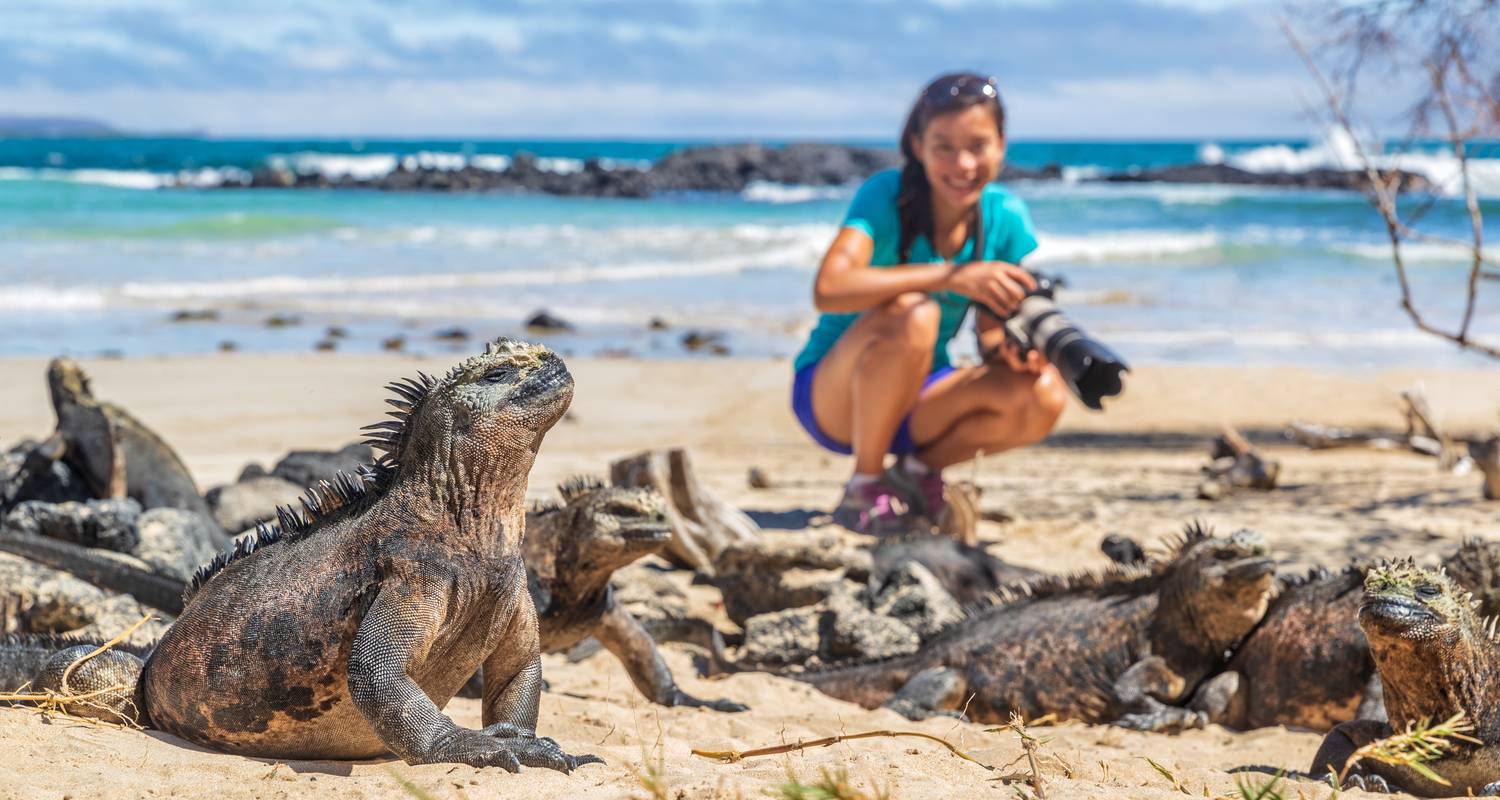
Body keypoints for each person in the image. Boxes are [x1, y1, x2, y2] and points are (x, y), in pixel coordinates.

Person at [791, 72, 1068, 535]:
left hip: (922, 399)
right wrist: (953, 277)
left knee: (1044, 393)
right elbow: (829, 287)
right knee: (916, 313)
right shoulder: (885, 195)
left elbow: (989, 336)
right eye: (944, 146)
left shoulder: (1005, 218)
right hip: (835, 395)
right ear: (917, 146)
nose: (962, 164)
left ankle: (916, 474)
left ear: (1001, 145)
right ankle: (864, 483)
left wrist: (1014, 355)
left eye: (977, 146)